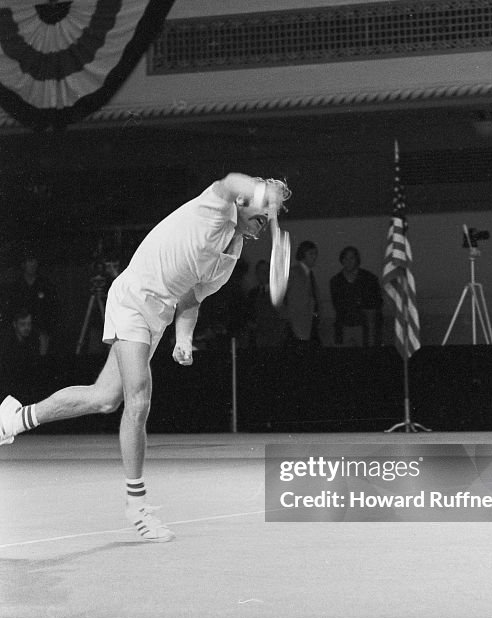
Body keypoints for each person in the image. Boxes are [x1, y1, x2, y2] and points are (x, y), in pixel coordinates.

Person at [0, 175, 290, 542]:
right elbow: (231, 181)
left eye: (267, 220)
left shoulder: (229, 260)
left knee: (105, 398)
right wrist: (266, 192)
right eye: (260, 215)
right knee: (139, 397)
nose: (263, 225)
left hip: (159, 315)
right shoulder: (215, 209)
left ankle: (14, 419)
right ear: (246, 203)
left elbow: (190, 299)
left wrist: (183, 338)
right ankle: (137, 505)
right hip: (134, 298)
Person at [330, 246, 383, 347]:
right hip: (344, 326)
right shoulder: (336, 281)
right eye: (345, 258)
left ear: (357, 260)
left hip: (365, 327)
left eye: (351, 258)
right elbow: (337, 305)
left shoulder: (369, 278)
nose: (348, 261)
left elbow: (376, 304)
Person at [285, 240, 321, 345]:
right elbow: (296, 301)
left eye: (315, 254)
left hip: (307, 322)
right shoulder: (296, 272)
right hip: (300, 324)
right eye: (311, 254)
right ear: (303, 254)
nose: (314, 257)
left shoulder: (308, 273)